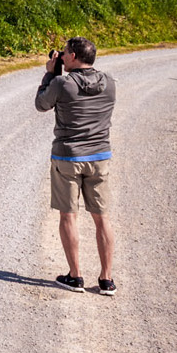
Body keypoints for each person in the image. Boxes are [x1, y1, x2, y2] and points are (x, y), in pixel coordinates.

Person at [34, 35, 117, 295]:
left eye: (64, 52)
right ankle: (106, 280)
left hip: (68, 157)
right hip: (99, 157)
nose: (61, 55)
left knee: (68, 216)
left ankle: (75, 276)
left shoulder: (61, 83)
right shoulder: (110, 82)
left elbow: (41, 104)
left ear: (72, 56)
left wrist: (50, 74)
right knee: (102, 218)